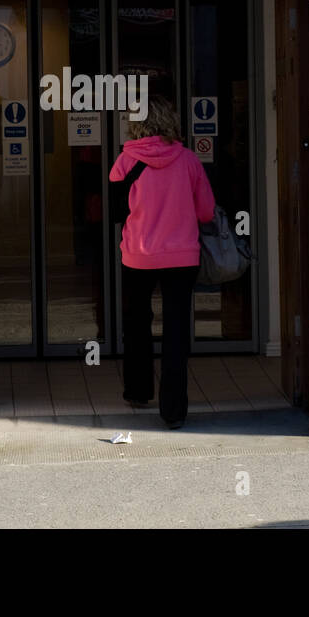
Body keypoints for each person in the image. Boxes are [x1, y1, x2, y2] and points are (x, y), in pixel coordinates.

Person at [110, 94, 215, 429]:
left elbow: (115, 212)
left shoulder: (125, 162)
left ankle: (138, 391)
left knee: (137, 323)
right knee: (176, 331)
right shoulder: (188, 161)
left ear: (137, 124)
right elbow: (206, 212)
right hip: (182, 257)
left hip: (138, 256)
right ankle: (173, 411)